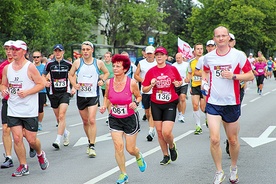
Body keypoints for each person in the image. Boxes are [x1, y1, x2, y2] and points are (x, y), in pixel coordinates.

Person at [202, 26, 254, 184]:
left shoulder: (238, 55)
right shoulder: (208, 57)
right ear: (214, 38)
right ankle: (219, 171)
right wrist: (204, 84)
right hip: (213, 102)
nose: (220, 38)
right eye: (217, 36)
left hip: (231, 102)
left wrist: (234, 76)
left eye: (223, 36)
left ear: (228, 38)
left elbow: (251, 75)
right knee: (214, 139)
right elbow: (204, 71)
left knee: (232, 140)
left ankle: (233, 168)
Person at [0, 40, 49, 176]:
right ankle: (23, 165)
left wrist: (27, 92)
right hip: (14, 108)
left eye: (16, 49)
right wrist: (3, 90)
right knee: (16, 138)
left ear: (24, 51)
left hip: (29, 109)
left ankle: (40, 153)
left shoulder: (30, 67)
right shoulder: (7, 68)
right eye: (12, 49)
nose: (13, 52)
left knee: (31, 140)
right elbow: (3, 84)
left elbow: (41, 84)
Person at [99, 54, 146, 184]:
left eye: (118, 66)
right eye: (113, 66)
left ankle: (138, 155)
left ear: (125, 68)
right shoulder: (109, 82)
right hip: (115, 118)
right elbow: (107, 97)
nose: (114, 68)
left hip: (130, 118)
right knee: (118, 146)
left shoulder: (132, 82)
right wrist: (104, 106)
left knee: (130, 149)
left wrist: (135, 104)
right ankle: (123, 173)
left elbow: (139, 96)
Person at [142, 46, 182, 165]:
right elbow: (144, 89)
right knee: (159, 132)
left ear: (165, 57)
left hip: (170, 102)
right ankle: (165, 155)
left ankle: (171, 145)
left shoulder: (172, 69)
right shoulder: (151, 71)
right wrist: (151, 85)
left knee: (166, 132)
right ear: (155, 56)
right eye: (157, 55)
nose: (159, 57)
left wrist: (177, 83)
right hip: (156, 103)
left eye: (161, 55)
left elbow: (180, 81)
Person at [69, 41, 109, 157]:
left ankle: (92, 145)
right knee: (85, 121)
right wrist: (74, 84)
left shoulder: (98, 63)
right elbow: (70, 74)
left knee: (92, 120)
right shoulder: (77, 62)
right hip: (81, 96)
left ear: (92, 50)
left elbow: (106, 73)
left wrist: (102, 81)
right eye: (83, 49)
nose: (85, 52)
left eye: (87, 49)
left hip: (93, 95)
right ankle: (89, 140)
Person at [43, 44, 72, 149]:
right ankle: (65, 133)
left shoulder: (68, 64)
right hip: (53, 93)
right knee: (58, 118)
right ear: (54, 52)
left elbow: (73, 75)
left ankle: (58, 139)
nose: (58, 53)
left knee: (61, 115)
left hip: (65, 92)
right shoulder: (49, 64)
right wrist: (45, 82)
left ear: (63, 52)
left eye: (59, 51)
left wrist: (73, 87)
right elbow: (43, 75)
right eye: (56, 51)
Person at [134, 45, 157, 141]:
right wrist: (143, 80)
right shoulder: (141, 63)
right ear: (145, 54)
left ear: (154, 54)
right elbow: (136, 75)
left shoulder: (157, 63)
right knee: (147, 112)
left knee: (152, 112)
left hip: (156, 90)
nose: (149, 55)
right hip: (145, 90)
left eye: (151, 53)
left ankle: (151, 130)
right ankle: (151, 126)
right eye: (148, 53)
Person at [0, 40, 14, 168]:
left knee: (25, 133)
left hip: (21, 102)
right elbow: (1, 82)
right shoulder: (3, 66)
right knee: (5, 128)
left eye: (11, 49)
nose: (9, 52)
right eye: (7, 49)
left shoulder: (23, 65)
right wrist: (3, 89)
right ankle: (8, 157)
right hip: (7, 100)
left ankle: (33, 146)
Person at [187, 43, 205, 135]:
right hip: (195, 85)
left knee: (203, 107)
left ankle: (207, 118)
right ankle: (198, 126)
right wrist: (189, 83)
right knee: (195, 105)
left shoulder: (206, 60)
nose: (199, 50)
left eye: (201, 49)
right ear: (194, 51)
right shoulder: (191, 62)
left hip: (204, 85)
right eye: (197, 49)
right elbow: (190, 73)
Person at [172, 53, 189, 123]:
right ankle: (179, 113)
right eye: (177, 58)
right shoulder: (173, 66)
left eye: (179, 58)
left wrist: (188, 79)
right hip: (176, 84)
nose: (178, 59)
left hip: (184, 83)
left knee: (182, 98)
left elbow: (189, 73)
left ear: (182, 58)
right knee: (178, 100)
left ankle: (182, 114)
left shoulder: (186, 65)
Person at [33, 51, 47, 131]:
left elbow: (47, 76)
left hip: (42, 91)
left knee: (40, 108)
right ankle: (34, 122)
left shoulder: (44, 67)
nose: (36, 59)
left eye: (37, 57)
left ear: (41, 57)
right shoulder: (31, 67)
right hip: (33, 91)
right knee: (33, 107)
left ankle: (39, 122)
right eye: (34, 57)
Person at [99, 51, 114, 125]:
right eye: (105, 56)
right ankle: (109, 115)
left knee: (111, 101)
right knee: (106, 100)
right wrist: (102, 77)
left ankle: (110, 115)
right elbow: (100, 74)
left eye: (108, 56)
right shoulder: (102, 64)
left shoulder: (113, 65)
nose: (106, 58)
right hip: (104, 86)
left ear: (111, 57)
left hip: (113, 85)